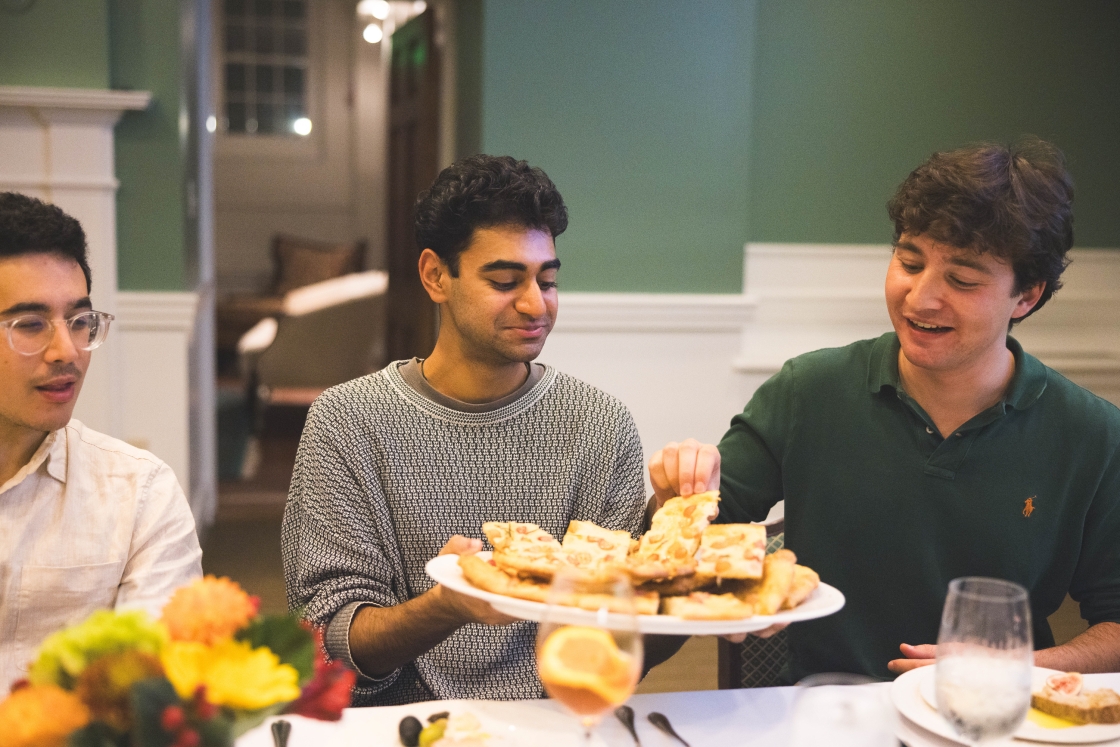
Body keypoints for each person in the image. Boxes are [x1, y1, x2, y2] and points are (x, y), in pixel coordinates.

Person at [649, 138, 1120, 682]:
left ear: (1026, 297)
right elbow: (698, 528)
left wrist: (1014, 669)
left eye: (962, 280)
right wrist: (677, 495)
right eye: (909, 261)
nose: (920, 298)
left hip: (991, 718)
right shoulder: (809, 390)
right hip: (823, 711)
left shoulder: (1092, 434)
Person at [282, 155, 648, 706]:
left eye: (547, 281)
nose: (535, 304)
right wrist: (445, 606)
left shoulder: (600, 425)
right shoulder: (347, 423)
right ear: (435, 276)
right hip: (402, 726)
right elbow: (327, 643)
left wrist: (671, 546)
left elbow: (622, 636)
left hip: (559, 720)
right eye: (505, 281)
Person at [0, 192, 202, 692]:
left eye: (80, 321)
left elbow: (158, 692)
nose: (66, 351)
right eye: (29, 325)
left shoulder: (138, 492)